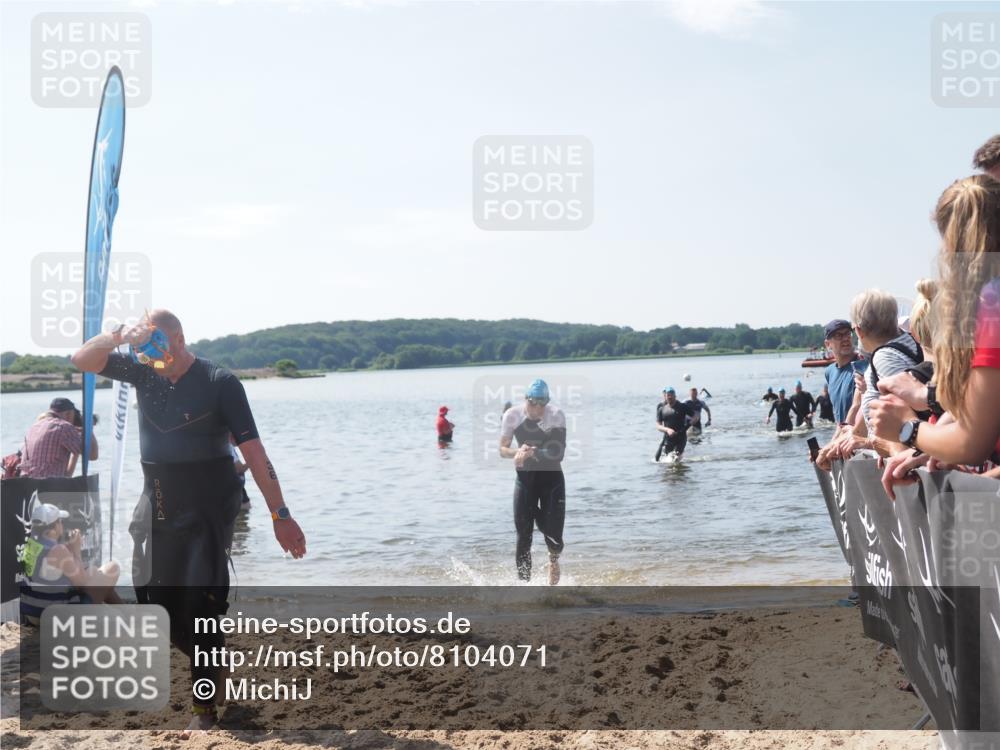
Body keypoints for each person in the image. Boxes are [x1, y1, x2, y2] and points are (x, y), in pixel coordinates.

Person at [70, 309, 307, 735]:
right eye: (143, 349)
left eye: (156, 346)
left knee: (201, 606)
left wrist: (280, 514)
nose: (150, 357)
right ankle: (214, 665)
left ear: (178, 339)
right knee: (156, 605)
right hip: (158, 499)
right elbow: (82, 359)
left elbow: (255, 454)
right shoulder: (143, 372)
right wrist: (120, 335)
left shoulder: (220, 382)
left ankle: (204, 710)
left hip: (208, 503)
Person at [870, 176, 1000, 469]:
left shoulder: (993, 300)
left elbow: (971, 444)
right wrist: (931, 438)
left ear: (953, 240)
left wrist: (907, 428)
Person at [499, 379, 566, 585]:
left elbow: (558, 452)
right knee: (523, 534)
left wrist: (535, 452)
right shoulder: (512, 416)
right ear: (526, 399)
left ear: (547, 402)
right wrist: (517, 452)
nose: (537, 408)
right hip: (525, 480)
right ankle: (524, 586)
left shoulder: (555, 415)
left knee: (554, 537)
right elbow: (503, 449)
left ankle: (553, 559)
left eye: (541, 404)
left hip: (552, 480)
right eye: (533, 403)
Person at [19, 503, 122, 625]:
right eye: (60, 521)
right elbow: (82, 583)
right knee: (112, 568)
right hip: (55, 617)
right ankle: (125, 611)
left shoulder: (31, 544)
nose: (62, 524)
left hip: (33, 613)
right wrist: (76, 549)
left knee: (93, 571)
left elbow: (49, 567)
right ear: (54, 528)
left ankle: (124, 609)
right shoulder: (59, 550)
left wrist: (69, 549)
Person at [19, 397, 98, 479]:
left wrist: (75, 451)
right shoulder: (64, 427)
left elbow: (67, 476)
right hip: (50, 484)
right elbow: (93, 456)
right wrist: (88, 428)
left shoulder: (33, 427)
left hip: (27, 483)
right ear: (68, 414)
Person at [822, 319, 869, 426]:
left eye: (848, 334)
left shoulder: (862, 366)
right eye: (838, 336)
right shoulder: (829, 372)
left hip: (859, 432)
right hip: (842, 431)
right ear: (828, 344)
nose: (845, 338)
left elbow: (858, 407)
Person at [655, 386, 694, 460]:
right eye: (668, 395)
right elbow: (658, 426)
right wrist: (667, 430)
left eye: (671, 395)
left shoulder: (682, 406)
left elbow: (695, 416)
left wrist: (687, 426)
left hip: (681, 437)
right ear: (665, 396)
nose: (669, 397)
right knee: (661, 459)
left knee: (675, 459)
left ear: (675, 396)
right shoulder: (662, 409)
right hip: (668, 437)